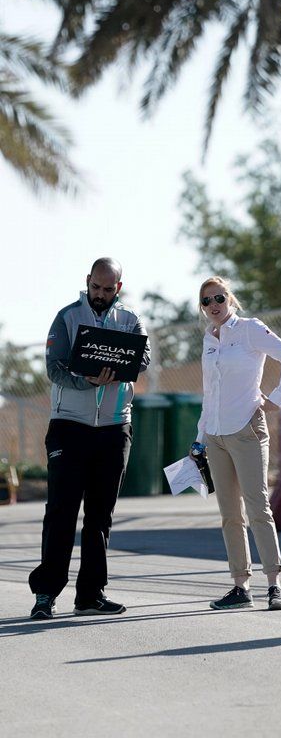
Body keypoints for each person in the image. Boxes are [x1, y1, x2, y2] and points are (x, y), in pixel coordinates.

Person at [29, 258, 150, 619]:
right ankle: (46, 594)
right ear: (88, 282)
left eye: (108, 289)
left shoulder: (129, 319)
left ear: (119, 287)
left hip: (114, 428)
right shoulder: (67, 317)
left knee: (100, 515)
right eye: (95, 288)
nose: (100, 295)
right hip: (70, 425)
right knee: (61, 511)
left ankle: (90, 595)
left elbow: (142, 358)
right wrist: (86, 380)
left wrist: (123, 365)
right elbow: (54, 368)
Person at [193, 276, 281, 611]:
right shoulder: (209, 339)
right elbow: (210, 393)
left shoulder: (250, 329)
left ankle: (275, 585)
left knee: (258, 507)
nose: (214, 306)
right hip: (215, 434)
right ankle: (240, 586)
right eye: (207, 302)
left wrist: (278, 398)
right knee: (229, 514)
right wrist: (199, 439)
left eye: (219, 298)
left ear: (231, 299)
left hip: (247, 429)